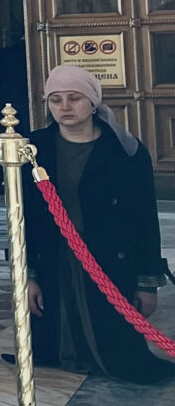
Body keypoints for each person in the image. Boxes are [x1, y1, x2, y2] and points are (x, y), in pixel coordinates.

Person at [22, 65, 174, 383]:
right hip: (53, 253)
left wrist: (147, 283)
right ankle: (65, 354)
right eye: (56, 99)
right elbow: (24, 217)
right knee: (56, 318)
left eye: (74, 98)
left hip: (108, 257)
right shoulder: (33, 150)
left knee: (113, 338)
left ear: (92, 102)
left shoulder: (126, 151)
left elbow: (144, 221)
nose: (65, 107)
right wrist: (28, 275)